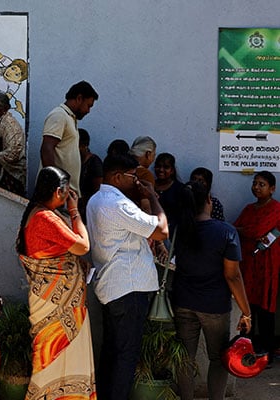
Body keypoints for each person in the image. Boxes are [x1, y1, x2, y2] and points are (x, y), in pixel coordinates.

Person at [86, 154, 168, 400]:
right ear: (117, 176)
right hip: (128, 286)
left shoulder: (95, 200)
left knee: (112, 351)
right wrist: (153, 196)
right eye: (133, 176)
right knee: (126, 355)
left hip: (112, 286)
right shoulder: (117, 204)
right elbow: (162, 230)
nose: (137, 181)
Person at [16, 166, 95, 399]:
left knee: (57, 358)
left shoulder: (38, 213)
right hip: (58, 304)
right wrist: (75, 211)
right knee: (53, 358)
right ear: (59, 191)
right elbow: (83, 246)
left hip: (58, 302)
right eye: (67, 192)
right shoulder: (45, 217)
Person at [172, 181, 252, 400]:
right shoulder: (225, 231)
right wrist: (246, 311)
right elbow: (233, 275)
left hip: (183, 302)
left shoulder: (178, 230)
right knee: (218, 358)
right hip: (214, 306)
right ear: (209, 201)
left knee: (185, 358)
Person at [234, 171, 280, 363]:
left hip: (267, 266)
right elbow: (235, 228)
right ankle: (248, 349)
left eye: (262, 184)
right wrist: (244, 231)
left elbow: (256, 231)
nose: (256, 187)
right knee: (249, 307)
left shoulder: (276, 209)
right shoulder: (249, 208)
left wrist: (244, 231)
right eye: (255, 183)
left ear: (272, 189)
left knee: (266, 309)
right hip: (249, 265)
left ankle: (267, 352)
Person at [40, 80, 99, 196]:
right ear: (79, 98)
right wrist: (55, 184)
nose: (88, 111)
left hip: (66, 193)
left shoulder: (70, 118)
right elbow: (46, 149)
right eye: (88, 106)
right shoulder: (59, 115)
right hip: (58, 192)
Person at [154, 152, 184, 231]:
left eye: (166, 167)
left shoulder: (179, 189)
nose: (161, 170)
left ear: (172, 170)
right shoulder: (150, 186)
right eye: (158, 166)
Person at [78, 128, 102, 219]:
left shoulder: (94, 162)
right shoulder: (75, 160)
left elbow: (97, 189)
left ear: (84, 145)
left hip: (87, 210)